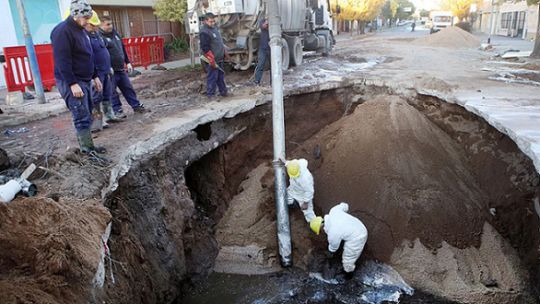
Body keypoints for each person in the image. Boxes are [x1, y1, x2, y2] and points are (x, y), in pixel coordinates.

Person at [51, 0, 106, 154]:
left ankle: (89, 147)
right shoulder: (62, 31)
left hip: (85, 80)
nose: (88, 21)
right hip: (72, 81)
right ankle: (87, 151)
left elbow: (88, 55)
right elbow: (62, 61)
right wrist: (72, 83)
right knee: (81, 115)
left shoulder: (81, 31)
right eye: (86, 18)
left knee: (87, 114)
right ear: (76, 15)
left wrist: (95, 76)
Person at [100, 16, 148, 118]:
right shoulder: (100, 37)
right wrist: (108, 66)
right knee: (112, 92)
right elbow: (102, 55)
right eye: (107, 24)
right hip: (110, 71)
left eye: (111, 23)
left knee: (128, 88)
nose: (110, 26)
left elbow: (122, 48)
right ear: (101, 25)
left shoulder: (115, 34)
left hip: (121, 69)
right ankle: (117, 110)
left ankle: (136, 106)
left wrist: (128, 62)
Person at [310, 202, 368, 278]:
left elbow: (334, 247)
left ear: (320, 228)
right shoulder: (333, 211)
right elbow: (345, 206)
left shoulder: (332, 233)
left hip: (357, 238)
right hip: (359, 225)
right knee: (342, 236)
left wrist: (330, 253)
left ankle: (348, 275)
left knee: (348, 260)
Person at [84, 11, 119, 132]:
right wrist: (93, 76)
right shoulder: (84, 37)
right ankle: (98, 120)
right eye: (92, 25)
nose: (95, 27)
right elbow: (88, 57)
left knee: (107, 94)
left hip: (105, 70)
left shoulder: (97, 35)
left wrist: (109, 67)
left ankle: (109, 115)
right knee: (96, 97)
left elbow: (103, 51)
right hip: (96, 72)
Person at [199, 12, 228, 98]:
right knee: (212, 77)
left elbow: (219, 42)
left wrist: (224, 51)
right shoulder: (204, 32)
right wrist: (211, 59)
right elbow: (205, 48)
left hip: (219, 57)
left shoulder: (214, 28)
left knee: (220, 76)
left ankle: (223, 92)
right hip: (211, 59)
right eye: (210, 21)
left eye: (213, 21)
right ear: (205, 21)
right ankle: (210, 95)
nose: (212, 23)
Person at [285, 159, 317, 224]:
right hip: (293, 190)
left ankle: (318, 226)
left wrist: (305, 203)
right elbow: (288, 164)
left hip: (303, 196)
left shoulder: (306, 179)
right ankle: (293, 205)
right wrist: (284, 161)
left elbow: (309, 191)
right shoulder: (293, 165)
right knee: (287, 199)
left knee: (308, 213)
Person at [254, 19, 270, 86]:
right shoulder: (263, 20)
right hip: (263, 48)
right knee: (260, 65)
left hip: (271, 48)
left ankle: (273, 83)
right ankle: (257, 82)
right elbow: (263, 26)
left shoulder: (276, 21)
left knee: (273, 66)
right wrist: (267, 23)